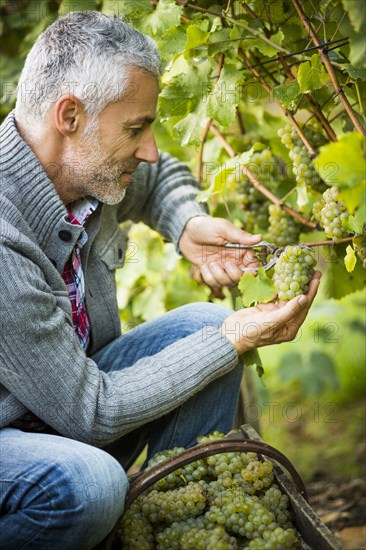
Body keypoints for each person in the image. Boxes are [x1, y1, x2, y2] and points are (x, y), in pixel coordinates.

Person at [0, 11, 320, 550]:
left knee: (208, 326)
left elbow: (157, 179)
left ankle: (173, 529)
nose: (148, 148)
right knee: (90, 487)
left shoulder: (78, 166)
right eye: (136, 128)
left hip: (61, 408)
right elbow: (90, 413)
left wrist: (186, 224)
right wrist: (234, 340)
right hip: (22, 434)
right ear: (70, 115)